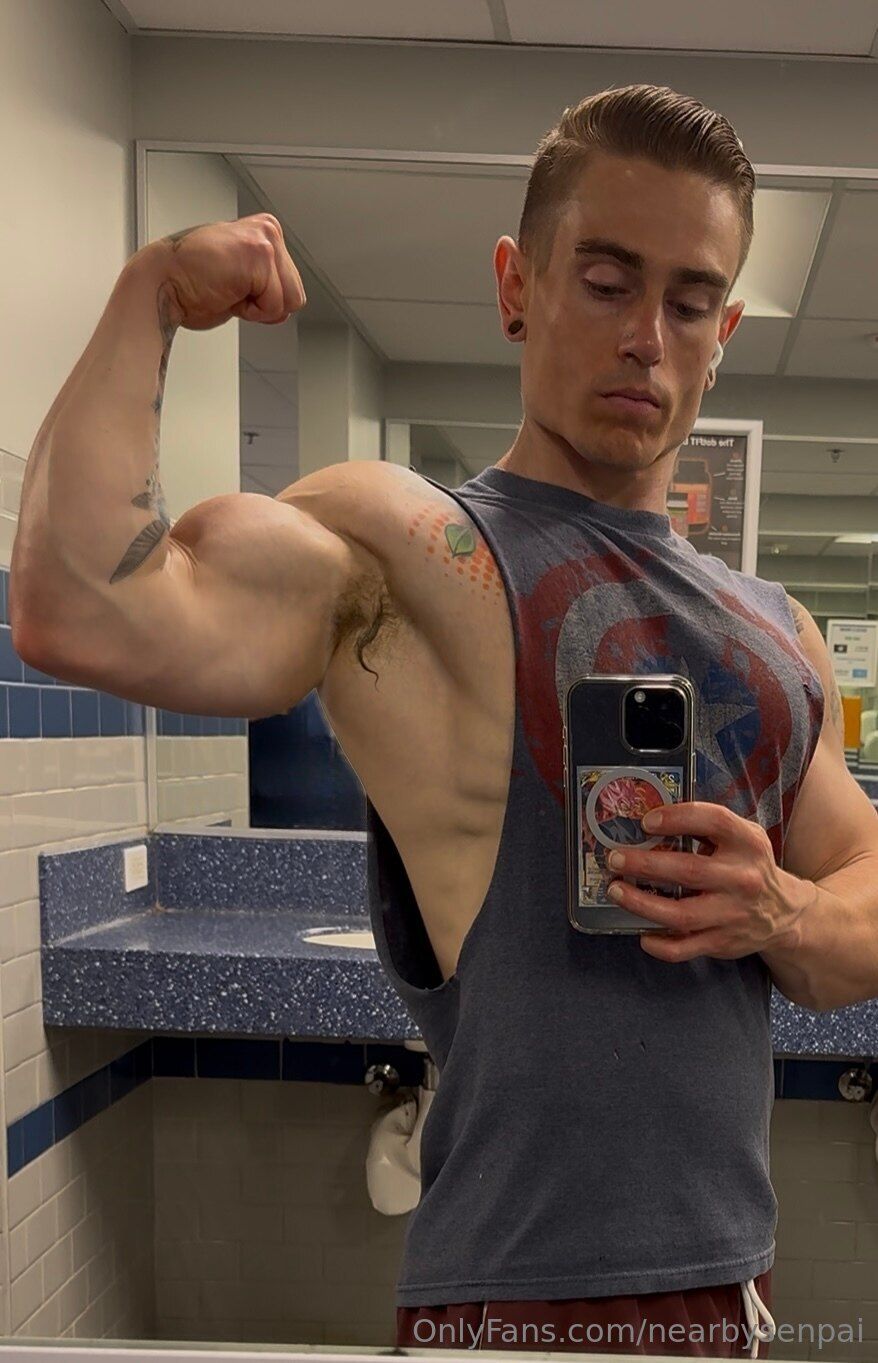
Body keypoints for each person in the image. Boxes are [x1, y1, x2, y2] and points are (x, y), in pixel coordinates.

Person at [11, 83, 878, 1359]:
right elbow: (78, 609)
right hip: (516, 1301)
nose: (646, 336)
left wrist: (780, 913)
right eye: (604, 282)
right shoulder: (409, 551)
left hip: (728, 1291)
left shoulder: (774, 630)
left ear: (723, 332)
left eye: (689, 302)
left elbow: (860, 894)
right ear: (515, 286)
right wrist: (151, 295)